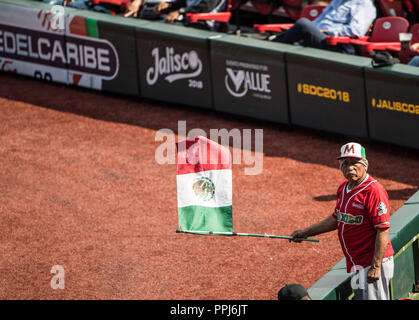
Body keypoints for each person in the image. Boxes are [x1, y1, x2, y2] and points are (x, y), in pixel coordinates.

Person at [289, 142, 394, 300]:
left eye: (354, 163)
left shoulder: (374, 191)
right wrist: (306, 232)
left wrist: (376, 266)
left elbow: (383, 229)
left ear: (364, 164)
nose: (349, 167)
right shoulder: (344, 188)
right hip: (358, 262)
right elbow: (337, 218)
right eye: (345, 163)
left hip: (371, 262)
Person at [270, 0, 377, 54]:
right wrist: (315, 30)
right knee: (304, 26)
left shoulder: (363, 3)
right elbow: (318, 22)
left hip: (338, 46)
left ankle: (271, 47)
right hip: (320, 39)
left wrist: (328, 31)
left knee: (303, 24)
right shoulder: (337, 1)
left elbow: (356, 30)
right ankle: (273, 43)